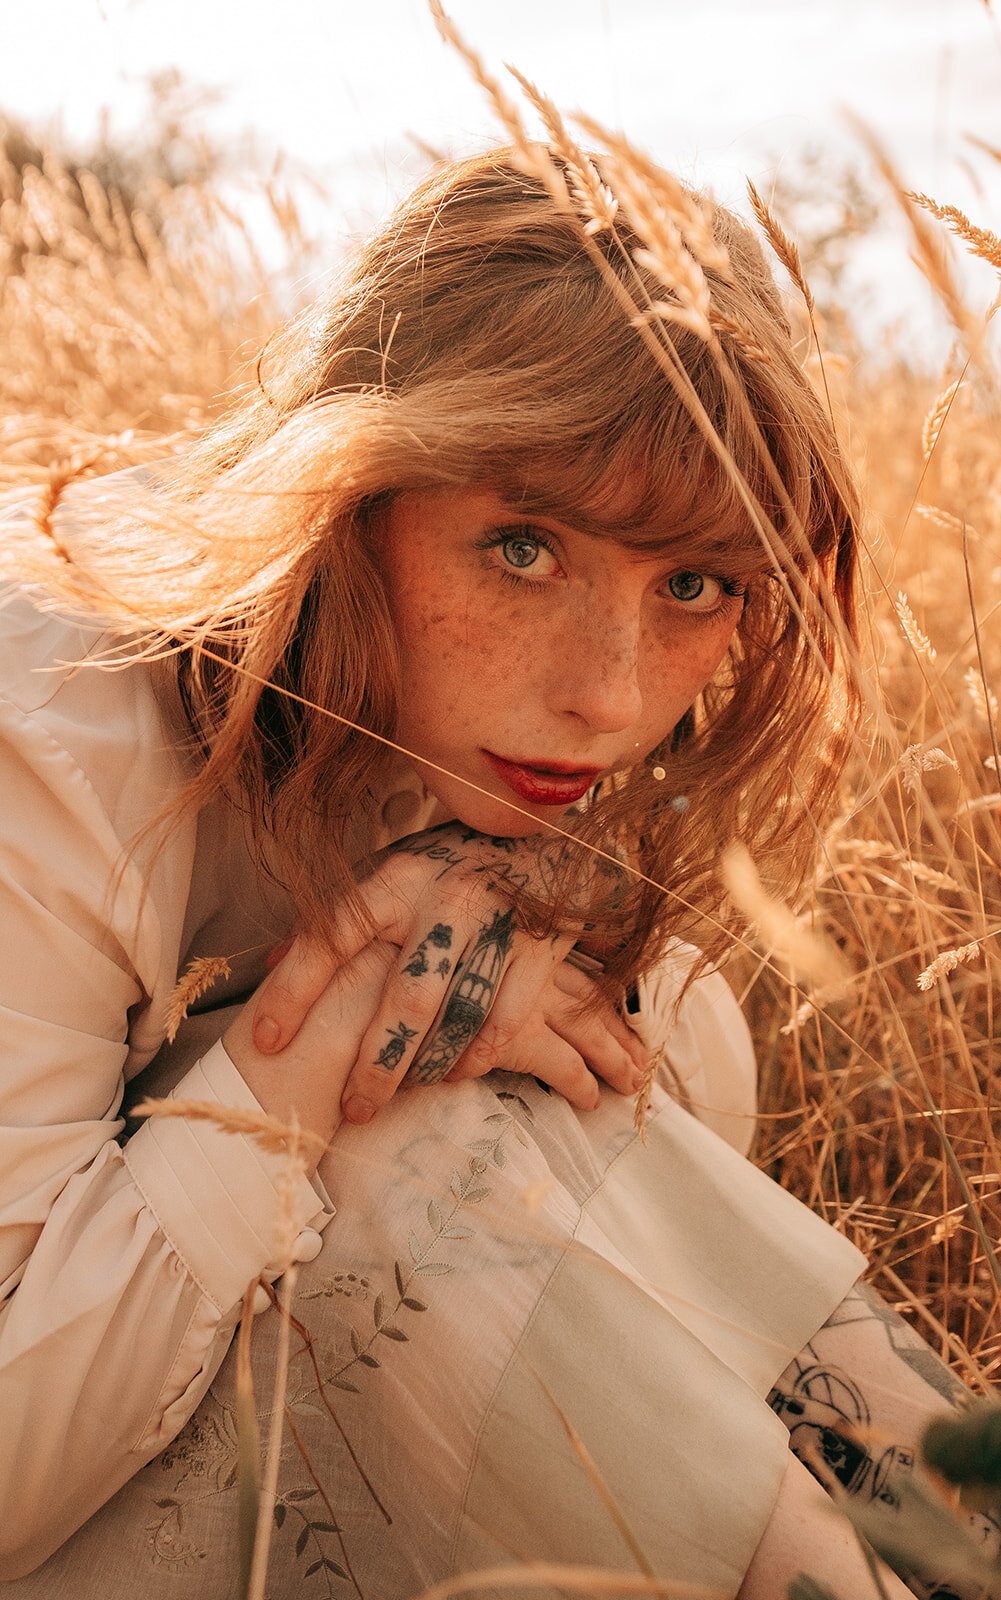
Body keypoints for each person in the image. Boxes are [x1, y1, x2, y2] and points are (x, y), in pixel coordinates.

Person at [0, 146, 991, 1600]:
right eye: (521, 548)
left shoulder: (503, 795)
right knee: (422, 1143)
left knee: (598, 1047)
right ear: (354, 496)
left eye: (692, 588)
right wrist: (299, 1071)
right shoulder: (58, 732)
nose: (607, 696)